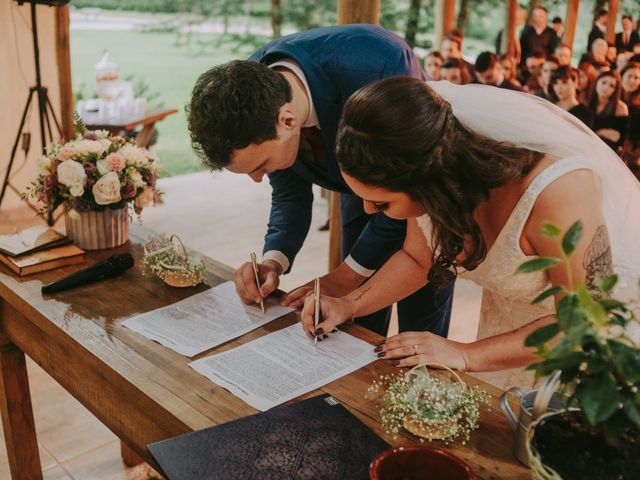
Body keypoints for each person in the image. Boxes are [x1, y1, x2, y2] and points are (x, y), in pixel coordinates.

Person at [301, 77, 640, 389]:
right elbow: (418, 259)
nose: (367, 211)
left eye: (380, 202)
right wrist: (347, 305)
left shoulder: (556, 193)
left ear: (423, 179)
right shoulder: (439, 185)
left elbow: (583, 322)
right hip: (507, 337)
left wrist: (465, 354)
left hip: (586, 355)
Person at [187, 25, 453, 338]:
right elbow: (290, 195)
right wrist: (273, 261)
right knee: (356, 324)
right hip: (356, 195)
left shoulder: (379, 67)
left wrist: (346, 275)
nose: (258, 179)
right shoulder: (251, 94)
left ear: (288, 120)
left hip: (424, 193)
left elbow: (411, 192)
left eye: (260, 166)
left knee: (420, 325)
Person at [587, 70, 630, 153]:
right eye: (604, 82)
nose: (606, 87)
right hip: (586, 146)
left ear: (615, 90)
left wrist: (600, 132)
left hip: (608, 151)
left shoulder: (620, 107)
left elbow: (619, 138)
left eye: (611, 86)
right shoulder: (587, 101)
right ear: (597, 82)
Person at [620, 63, 640, 178]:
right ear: (622, 76)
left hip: (633, 154)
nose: (632, 80)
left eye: (636, 78)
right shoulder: (613, 99)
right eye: (629, 76)